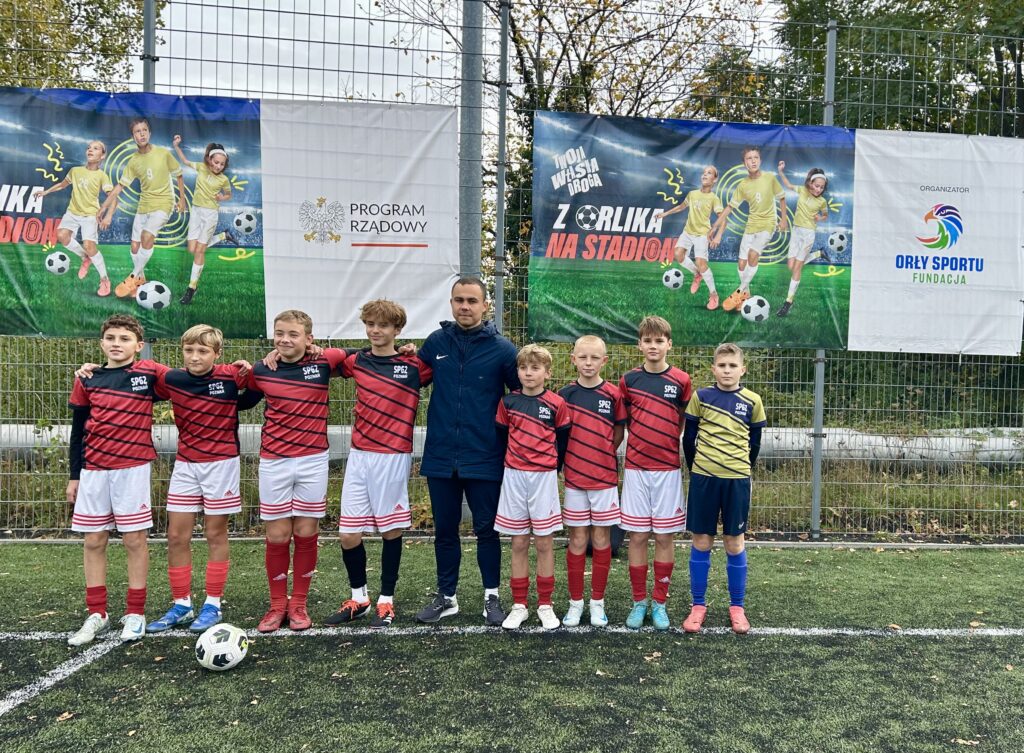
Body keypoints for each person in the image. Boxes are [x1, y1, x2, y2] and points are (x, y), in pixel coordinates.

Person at [73, 325, 258, 634]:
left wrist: (249, 373)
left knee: (215, 533)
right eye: (189, 350)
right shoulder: (171, 378)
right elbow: (129, 378)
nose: (195, 356)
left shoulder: (230, 375)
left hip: (222, 464)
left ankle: (213, 603)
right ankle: (182, 605)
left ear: (217, 353)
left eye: (203, 351)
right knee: (175, 536)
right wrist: (91, 369)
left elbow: (251, 396)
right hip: (185, 464)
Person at [414, 276, 520, 626]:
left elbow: (523, 395)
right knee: (445, 530)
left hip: (485, 455)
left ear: (485, 305)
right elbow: (406, 375)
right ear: (451, 303)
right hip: (441, 455)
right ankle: (447, 596)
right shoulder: (435, 343)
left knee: (487, 530)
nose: (465, 306)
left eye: (472, 300)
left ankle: (492, 596)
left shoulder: (503, 350)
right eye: (459, 300)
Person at [323, 299, 432, 630]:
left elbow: (439, 369)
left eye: (383, 325)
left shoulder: (414, 365)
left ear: (397, 330)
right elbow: (327, 359)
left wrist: (412, 350)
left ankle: (386, 600)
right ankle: (359, 598)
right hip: (359, 455)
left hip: (393, 455)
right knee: (348, 534)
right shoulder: (358, 361)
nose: (375, 330)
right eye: (370, 324)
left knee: (390, 529)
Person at [246, 310, 350, 632]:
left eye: (293, 334)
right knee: (278, 535)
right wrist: (239, 368)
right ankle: (277, 605)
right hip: (274, 461)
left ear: (309, 338)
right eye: (280, 333)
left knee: (306, 532)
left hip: (313, 460)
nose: (285, 339)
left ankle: (299, 605)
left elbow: (354, 353)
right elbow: (241, 398)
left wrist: (404, 350)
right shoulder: (262, 369)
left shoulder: (324, 361)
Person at [66, 314, 168, 645]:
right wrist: (74, 476)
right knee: (94, 541)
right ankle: (97, 613)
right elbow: (77, 432)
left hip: (132, 469)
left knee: (134, 540)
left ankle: (135, 613)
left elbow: (188, 379)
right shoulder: (87, 379)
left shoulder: (149, 374)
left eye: (125, 339)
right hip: (93, 471)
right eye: (110, 338)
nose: (116, 343)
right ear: (101, 343)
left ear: (139, 345)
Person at [681, 343, 766, 635]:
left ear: (743, 369)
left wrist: (741, 467)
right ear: (713, 369)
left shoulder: (753, 400)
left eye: (732, 366)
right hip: (704, 478)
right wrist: (698, 468)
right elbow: (689, 439)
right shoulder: (701, 397)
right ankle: (698, 606)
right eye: (722, 365)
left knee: (734, 542)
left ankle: (737, 607)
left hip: (737, 480)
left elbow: (755, 443)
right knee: (702, 541)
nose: (727, 371)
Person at [619, 316, 692, 631]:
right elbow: (624, 421)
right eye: (647, 340)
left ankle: (660, 603)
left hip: (667, 471)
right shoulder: (628, 380)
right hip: (636, 469)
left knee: (664, 536)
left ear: (669, 344)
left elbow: (681, 421)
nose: (653, 346)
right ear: (639, 345)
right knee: (636, 536)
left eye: (659, 341)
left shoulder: (682, 380)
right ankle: (639, 601)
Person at [493, 345, 571, 630]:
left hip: (543, 478)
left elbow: (562, 441)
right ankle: (519, 605)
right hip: (514, 477)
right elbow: (502, 437)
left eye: (535, 368)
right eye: (523, 367)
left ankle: (545, 605)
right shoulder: (508, 403)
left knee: (544, 542)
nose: (528, 373)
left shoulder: (557, 404)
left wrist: (551, 469)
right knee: (518, 542)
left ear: (547, 373)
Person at [558, 335, 625, 628]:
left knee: (601, 540)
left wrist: (600, 456)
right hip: (574, 479)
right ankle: (575, 603)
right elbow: (559, 435)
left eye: (594, 358)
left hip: (604, 480)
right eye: (583, 357)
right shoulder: (564, 395)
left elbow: (618, 432)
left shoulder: (613, 395)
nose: (588, 363)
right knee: (576, 539)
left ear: (604, 361)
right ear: (573, 359)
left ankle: (597, 602)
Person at [98, 116, 186, 299]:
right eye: (138, 132)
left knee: (147, 236)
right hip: (144, 205)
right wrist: (104, 207)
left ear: (149, 133)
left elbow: (179, 174)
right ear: (133, 137)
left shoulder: (163, 153)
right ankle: (141, 280)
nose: (142, 134)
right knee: (134, 246)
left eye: (144, 130)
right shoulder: (133, 161)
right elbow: (120, 187)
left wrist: (182, 200)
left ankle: (133, 276)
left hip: (164, 203)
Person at [710, 146, 788, 312]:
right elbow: (730, 207)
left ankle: (739, 292)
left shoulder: (770, 178)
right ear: (744, 163)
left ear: (760, 160)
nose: (753, 161)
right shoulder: (743, 185)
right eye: (749, 158)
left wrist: (783, 220)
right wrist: (715, 226)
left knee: (753, 254)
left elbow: (782, 197)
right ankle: (746, 294)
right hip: (751, 225)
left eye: (755, 158)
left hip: (768, 224)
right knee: (741, 263)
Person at [33, 140, 115, 296]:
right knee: (62, 235)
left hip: (90, 215)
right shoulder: (75, 171)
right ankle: (85, 258)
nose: (90, 150)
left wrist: (108, 216)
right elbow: (62, 185)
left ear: (102, 156)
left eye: (96, 148)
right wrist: (46, 192)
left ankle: (104, 280)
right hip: (72, 212)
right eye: (89, 148)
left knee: (89, 246)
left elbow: (113, 197)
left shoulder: (102, 176)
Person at [171, 136, 237, 305]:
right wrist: (176, 146)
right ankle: (223, 236)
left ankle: (191, 288)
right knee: (192, 248)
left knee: (199, 251)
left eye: (222, 164)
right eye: (216, 162)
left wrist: (222, 197)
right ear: (209, 159)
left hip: (210, 214)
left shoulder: (223, 180)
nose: (218, 166)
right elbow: (185, 161)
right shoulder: (201, 167)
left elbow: (229, 195)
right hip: (196, 211)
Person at [654, 166, 724, 310]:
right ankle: (697, 274)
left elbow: (723, 219)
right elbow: (681, 207)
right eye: (704, 173)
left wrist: (718, 235)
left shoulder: (714, 198)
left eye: (709, 173)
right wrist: (665, 214)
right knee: (678, 254)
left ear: (715, 179)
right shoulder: (692, 194)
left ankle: (713, 294)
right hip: (688, 232)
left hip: (702, 235)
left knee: (701, 263)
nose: (705, 175)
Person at [775, 162, 831, 317]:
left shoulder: (822, 201)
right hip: (796, 231)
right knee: (791, 266)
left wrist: (820, 218)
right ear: (811, 183)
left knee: (797, 268)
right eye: (817, 186)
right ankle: (818, 254)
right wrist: (780, 171)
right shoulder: (802, 190)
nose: (819, 189)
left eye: (822, 187)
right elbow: (787, 185)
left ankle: (788, 302)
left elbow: (825, 215)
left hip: (808, 234)